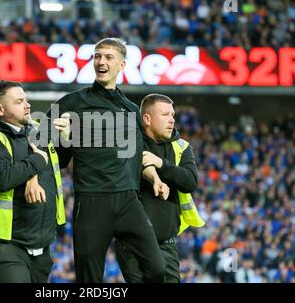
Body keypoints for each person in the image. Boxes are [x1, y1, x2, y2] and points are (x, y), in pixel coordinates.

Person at [47, 38, 166, 283]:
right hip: (91, 200)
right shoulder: (72, 103)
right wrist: (65, 138)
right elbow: (49, 154)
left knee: (156, 269)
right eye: (97, 56)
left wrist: (154, 177)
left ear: (122, 65)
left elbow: (139, 155)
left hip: (128, 200)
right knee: (89, 280)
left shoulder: (132, 109)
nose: (101, 61)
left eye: (108, 57)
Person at [0, 80, 70, 283]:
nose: (27, 105)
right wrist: (36, 163)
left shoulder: (38, 130)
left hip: (41, 243)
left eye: (26, 99)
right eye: (19, 101)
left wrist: (66, 138)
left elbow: (58, 162)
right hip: (3, 243)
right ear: (0, 108)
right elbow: (3, 179)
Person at [115, 93, 205, 282]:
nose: (172, 120)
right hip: (132, 244)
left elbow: (190, 182)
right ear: (147, 119)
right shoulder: (129, 141)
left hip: (167, 244)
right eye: (165, 115)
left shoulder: (181, 147)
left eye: (172, 115)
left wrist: (161, 164)